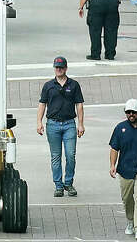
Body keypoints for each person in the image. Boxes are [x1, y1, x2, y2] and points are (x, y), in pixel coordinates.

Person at [36, 55, 85, 198]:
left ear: (66, 68)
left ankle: (68, 183)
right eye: (57, 67)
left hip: (69, 124)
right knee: (56, 156)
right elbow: (42, 104)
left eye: (61, 67)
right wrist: (39, 122)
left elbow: (79, 104)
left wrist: (80, 124)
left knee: (71, 155)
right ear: (54, 68)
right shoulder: (48, 86)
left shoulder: (74, 85)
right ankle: (58, 185)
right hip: (53, 125)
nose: (59, 69)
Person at [109, 99, 137, 239]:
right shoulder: (120, 128)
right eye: (128, 112)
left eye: (133, 112)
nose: (131, 114)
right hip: (125, 169)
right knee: (127, 199)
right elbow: (114, 148)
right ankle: (130, 220)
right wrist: (112, 165)